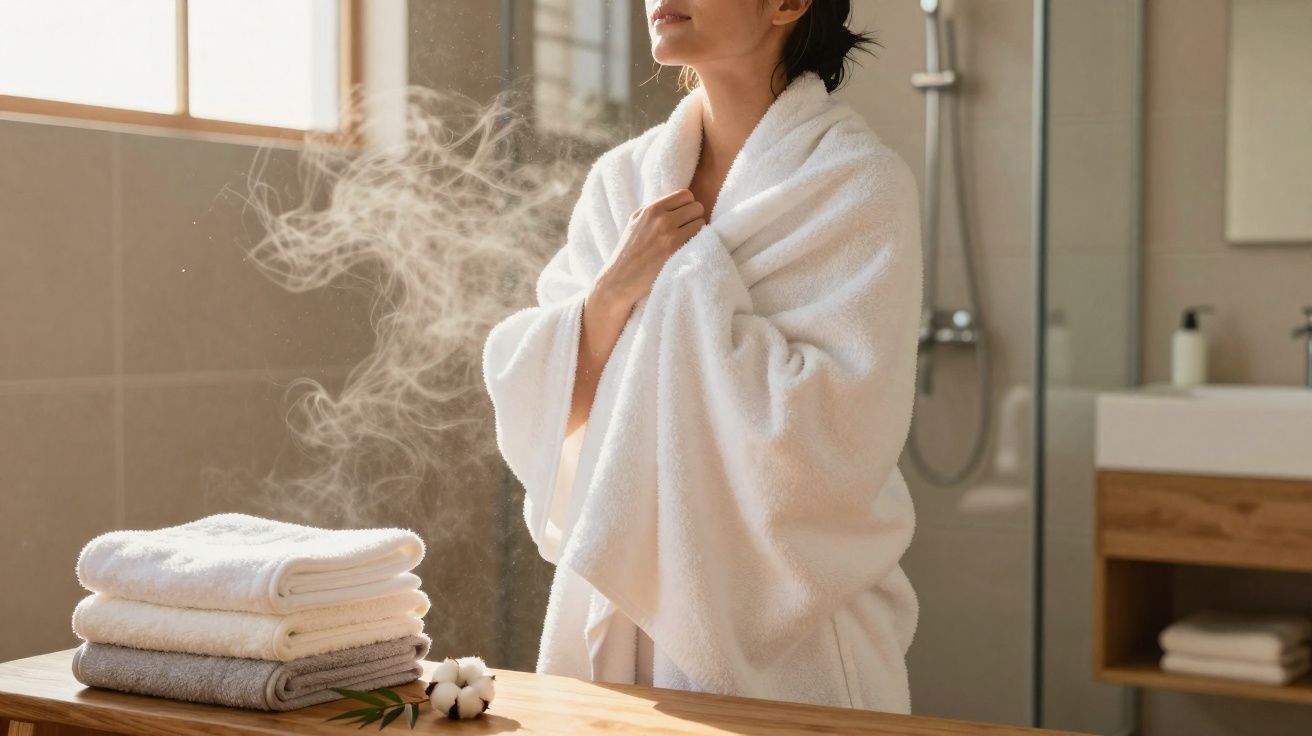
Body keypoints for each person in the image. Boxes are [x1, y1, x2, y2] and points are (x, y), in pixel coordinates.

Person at [483, 0, 923, 713]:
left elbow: (836, 434)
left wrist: (690, 276)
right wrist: (615, 290)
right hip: (629, 614)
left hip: (799, 631)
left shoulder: (859, 185)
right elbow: (550, 402)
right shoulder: (622, 183)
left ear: (788, 4)